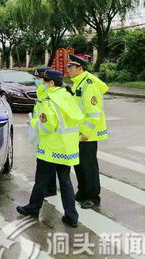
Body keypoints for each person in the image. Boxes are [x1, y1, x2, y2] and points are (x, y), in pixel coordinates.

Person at [17, 70, 84, 227]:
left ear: (51, 83)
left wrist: (33, 123)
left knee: (41, 181)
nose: (42, 83)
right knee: (66, 182)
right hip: (65, 149)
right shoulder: (67, 96)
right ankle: (71, 216)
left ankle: (33, 208)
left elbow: (47, 127)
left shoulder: (49, 100)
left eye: (44, 81)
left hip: (50, 148)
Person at [67, 54, 109, 209]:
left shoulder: (88, 84)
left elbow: (94, 112)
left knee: (89, 166)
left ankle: (93, 196)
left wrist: (85, 132)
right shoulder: (78, 83)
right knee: (79, 165)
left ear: (80, 68)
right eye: (68, 67)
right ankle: (82, 192)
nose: (68, 70)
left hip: (87, 135)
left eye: (71, 67)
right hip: (78, 133)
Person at [33, 66, 57, 198]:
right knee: (46, 163)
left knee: (46, 164)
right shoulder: (41, 89)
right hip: (41, 129)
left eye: (39, 78)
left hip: (49, 133)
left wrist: (34, 122)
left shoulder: (50, 91)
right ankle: (49, 187)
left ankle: (48, 188)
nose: (37, 80)